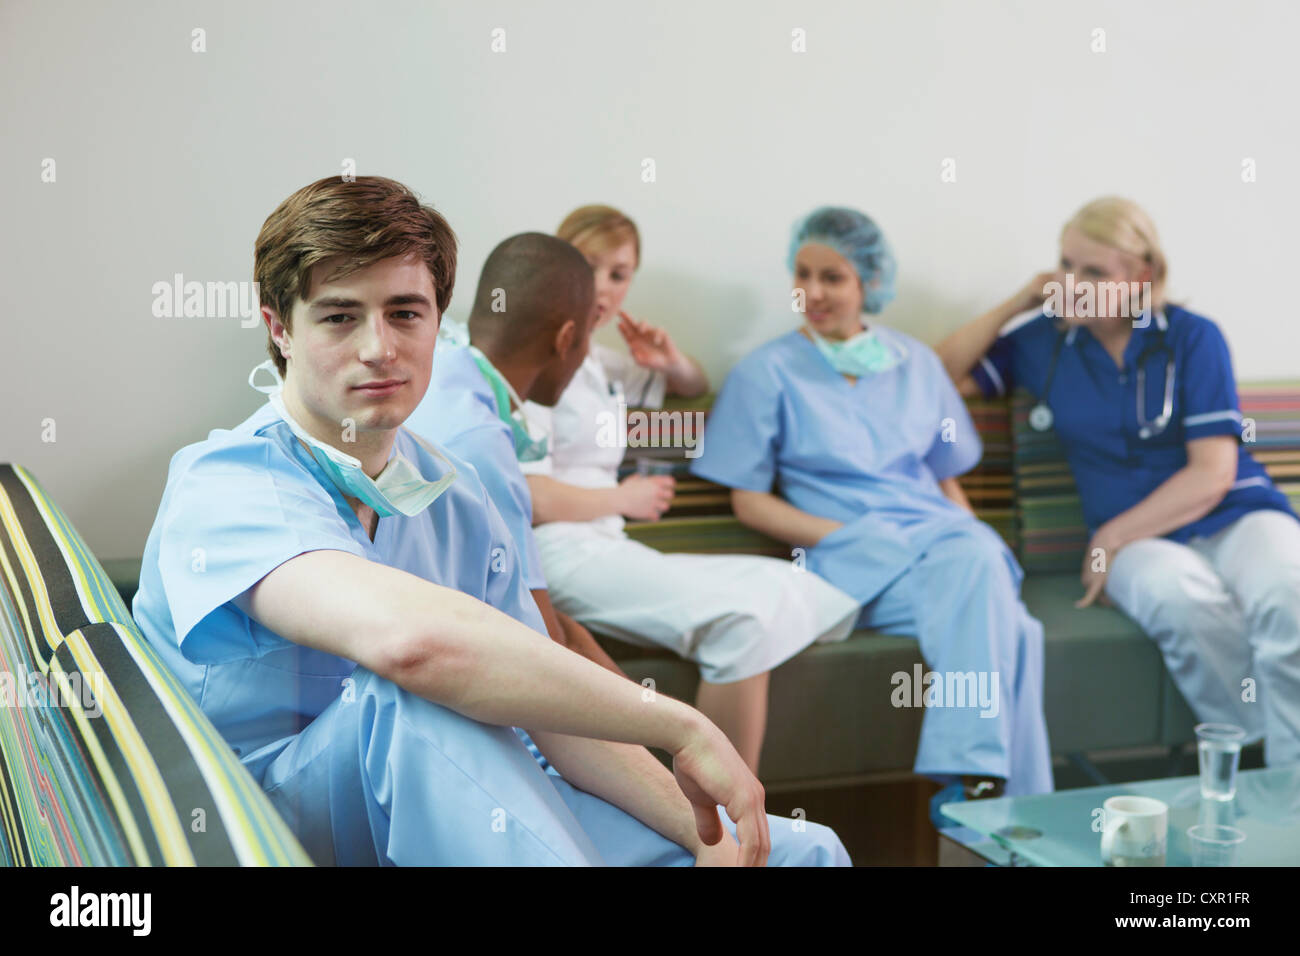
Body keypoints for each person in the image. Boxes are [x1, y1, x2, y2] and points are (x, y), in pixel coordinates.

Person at [131, 175, 850, 866]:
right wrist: (680, 724)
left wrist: (706, 838)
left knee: (801, 852)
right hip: (262, 824)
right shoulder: (226, 484)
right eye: (339, 315)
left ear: (440, 323)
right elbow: (413, 649)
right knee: (412, 696)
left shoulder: (455, 492)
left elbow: (545, 706)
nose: (379, 346)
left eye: (406, 313)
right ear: (279, 328)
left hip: (454, 795)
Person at [691, 206, 1054, 813]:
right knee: (1012, 624)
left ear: (868, 283)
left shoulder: (917, 364)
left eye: (833, 276)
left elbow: (946, 481)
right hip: (848, 560)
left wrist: (974, 541)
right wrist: (852, 536)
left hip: (941, 547)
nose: (814, 291)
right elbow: (747, 500)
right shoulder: (766, 373)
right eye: (803, 274)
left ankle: (978, 786)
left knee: (989, 581)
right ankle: (1002, 800)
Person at [936, 196, 1300, 768]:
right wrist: (1018, 301)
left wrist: (1108, 539)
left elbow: (1213, 472)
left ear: (1142, 275)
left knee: (1289, 591)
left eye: (1094, 271)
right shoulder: (1043, 341)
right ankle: (1254, 761)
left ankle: (1290, 788)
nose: (1073, 282)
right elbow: (931, 379)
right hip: (1143, 545)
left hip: (1230, 512)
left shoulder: (1192, 337)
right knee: (1177, 600)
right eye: (1065, 265)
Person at [521, 204, 861, 773]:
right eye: (588, 266)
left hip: (607, 545)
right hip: (558, 553)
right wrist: (621, 501)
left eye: (619, 274)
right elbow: (526, 495)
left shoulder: (599, 362)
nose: (602, 287)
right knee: (743, 622)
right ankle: (724, 825)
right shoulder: (536, 360)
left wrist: (671, 362)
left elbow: (694, 383)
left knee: (793, 583)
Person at [406, 232, 625, 677]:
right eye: (585, 339)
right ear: (566, 339)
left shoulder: (444, 375)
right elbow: (545, 645)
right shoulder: (481, 444)